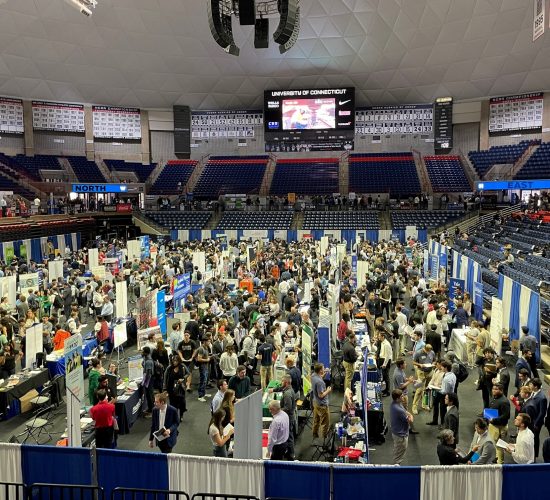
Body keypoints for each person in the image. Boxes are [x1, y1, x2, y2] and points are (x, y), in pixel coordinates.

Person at [269, 374, 297, 459]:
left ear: (285, 382)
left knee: (289, 436)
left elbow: (287, 408)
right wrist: (273, 390)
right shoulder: (288, 389)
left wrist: (278, 410)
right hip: (289, 417)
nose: (281, 383)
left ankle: (291, 454)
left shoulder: (287, 394)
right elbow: (281, 388)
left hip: (288, 418)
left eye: (282, 381)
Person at [487, 383, 510, 464]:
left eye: (496, 389)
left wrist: (494, 420)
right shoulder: (494, 398)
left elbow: (506, 416)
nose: (493, 391)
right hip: (493, 425)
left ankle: (500, 463)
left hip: (500, 427)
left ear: (501, 390)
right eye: (493, 389)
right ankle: (497, 457)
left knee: (499, 446)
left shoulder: (504, 402)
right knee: (494, 444)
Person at [390, 389, 413, 465]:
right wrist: (411, 416)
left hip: (397, 432)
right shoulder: (399, 410)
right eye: (402, 396)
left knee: (397, 451)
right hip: (400, 436)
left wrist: (408, 414)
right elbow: (410, 421)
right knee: (398, 456)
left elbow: (405, 412)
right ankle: (394, 471)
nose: (403, 397)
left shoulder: (395, 404)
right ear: (397, 398)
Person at [163, 355, 188, 420]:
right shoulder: (169, 368)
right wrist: (165, 388)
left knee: (181, 402)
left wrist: (183, 379)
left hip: (180, 388)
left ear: (179, 361)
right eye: (173, 361)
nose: (174, 362)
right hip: (171, 388)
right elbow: (165, 378)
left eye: (176, 361)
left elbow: (188, 373)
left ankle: (181, 415)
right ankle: (175, 416)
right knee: (173, 403)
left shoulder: (182, 366)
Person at [311, 362, 331, 439]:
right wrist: (328, 390)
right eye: (323, 369)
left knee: (316, 420)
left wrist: (324, 373)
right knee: (325, 423)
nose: (324, 369)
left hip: (315, 402)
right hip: (322, 405)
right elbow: (321, 395)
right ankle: (325, 438)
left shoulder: (313, 376)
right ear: (320, 371)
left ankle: (315, 434)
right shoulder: (320, 382)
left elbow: (319, 378)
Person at [196, 336, 212, 402]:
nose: (209, 342)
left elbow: (206, 356)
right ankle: (200, 396)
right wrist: (207, 359)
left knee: (205, 380)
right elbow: (199, 359)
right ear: (204, 342)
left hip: (206, 366)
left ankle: (204, 393)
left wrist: (210, 356)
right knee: (202, 380)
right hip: (202, 367)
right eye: (208, 341)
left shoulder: (206, 348)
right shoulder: (201, 349)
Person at [141, 346, 155, 416]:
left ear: (146, 352)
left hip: (149, 379)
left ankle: (152, 411)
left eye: (142, 351)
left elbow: (148, 374)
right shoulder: (145, 358)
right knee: (148, 394)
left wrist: (145, 382)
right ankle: (150, 408)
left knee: (149, 395)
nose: (141, 352)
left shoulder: (149, 361)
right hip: (147, 378)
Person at [378, 332, 393, 397]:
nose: (378, 337)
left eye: (379, 336)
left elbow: (387, 356)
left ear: (383, 337)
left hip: (386, 361)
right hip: (383, 360)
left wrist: (384, 364)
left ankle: (388, 392)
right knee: (384, 376)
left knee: (386, 377)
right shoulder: (383, 342)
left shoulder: (386, 344)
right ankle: (385, 389)